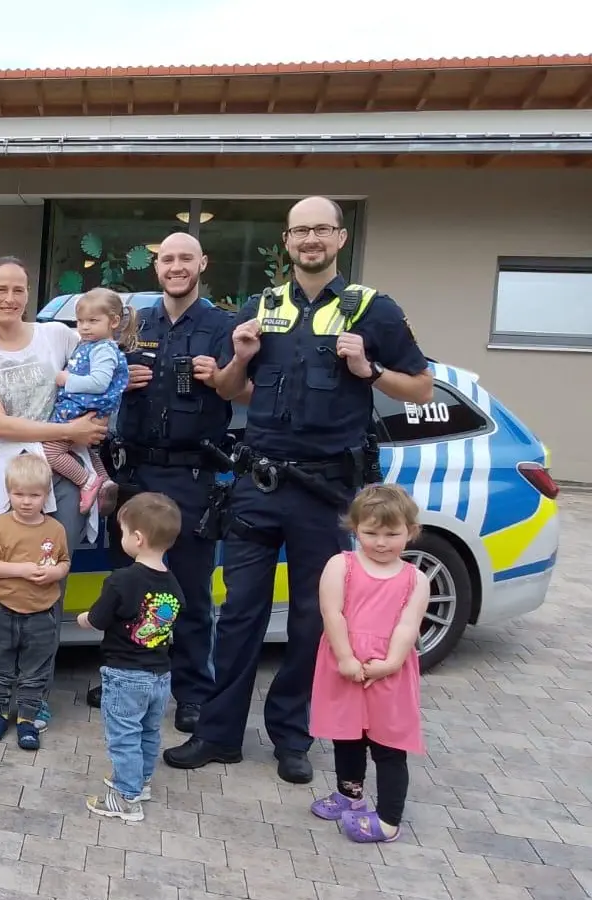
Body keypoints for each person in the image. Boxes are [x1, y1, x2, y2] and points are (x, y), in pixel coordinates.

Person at [168, 197, 432, 785]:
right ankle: (218, 734)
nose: (310, 240)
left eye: (321, 230)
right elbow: (236, 393)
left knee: (314, 619)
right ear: (285, 242)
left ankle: (293, 736)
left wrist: (369, 371)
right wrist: (238, 359)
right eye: (299, 231)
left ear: (339, 238)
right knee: (238, 615)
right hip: (258, 484)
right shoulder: (262, 307)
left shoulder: (373, 309)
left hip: (327, 491)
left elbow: (419, 387)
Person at [0, 255, 108, 732]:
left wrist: (128, 375)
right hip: (9, 481)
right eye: (1, 288)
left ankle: (34, 696)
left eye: (19, 289)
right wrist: (68, 429)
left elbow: (103, 360)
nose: (10, 298)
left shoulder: (56, 336)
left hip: (63, 477)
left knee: (48, 588)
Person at [102, 232, 237, 736]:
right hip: (135, 474)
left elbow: (241, 391)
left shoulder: (223, 326)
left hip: (194, 477)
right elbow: (94, 380)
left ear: (202, 262)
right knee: (132, 587)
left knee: (191, 593)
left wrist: (221, 376)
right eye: (167, 259)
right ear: (156, 266)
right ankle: (126, 678)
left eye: (185, 258)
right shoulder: (133, 324)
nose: (176, 267)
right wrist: (121, 381)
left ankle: (192, 693)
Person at [309, 485, 429, 844]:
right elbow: (332, 613)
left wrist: (390, 663)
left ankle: (390, 819)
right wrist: (345, 657)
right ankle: (350, 795)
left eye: (392, 534)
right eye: (370, 532)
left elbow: (409, 624)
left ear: (410, 531)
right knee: (347, 736)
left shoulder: (415, 578)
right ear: (354, 528)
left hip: (388, 673)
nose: (381, 542)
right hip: (345, 665)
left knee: (389, 746)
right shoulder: (340, 565)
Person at [77, 492, 184, 823]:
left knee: (123, 736)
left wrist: (82, 619)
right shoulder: (173, 584)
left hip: (125, 675)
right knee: (149, 732)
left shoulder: (121, 580)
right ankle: (141, 782)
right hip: (160, 675)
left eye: (123, 532)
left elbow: (97, 619)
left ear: (137, 538)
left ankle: (124, 798)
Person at [0, 453, 69, 750]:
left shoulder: (55, 529)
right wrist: (22, 570)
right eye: (19, 494)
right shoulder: (0, 526)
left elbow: (65, 562)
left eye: (34, 495)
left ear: (46, 495)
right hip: (2, 609)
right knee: (0, 665)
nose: (26, 501)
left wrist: (54, 572)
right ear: (8, 492)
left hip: (42, 612)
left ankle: (27, 720)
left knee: (35, 670)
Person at [42, 288, 136, 513]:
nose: (84, 327)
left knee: (51, 452)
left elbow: (99, 383)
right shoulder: (92, 346)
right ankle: (105, 482)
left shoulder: (103, 349)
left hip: (81, 410)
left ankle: (87, 482)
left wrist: (67, 380)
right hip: (85, 410)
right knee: (85, 451)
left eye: (93, 321)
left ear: (113, 321)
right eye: (80, 321)